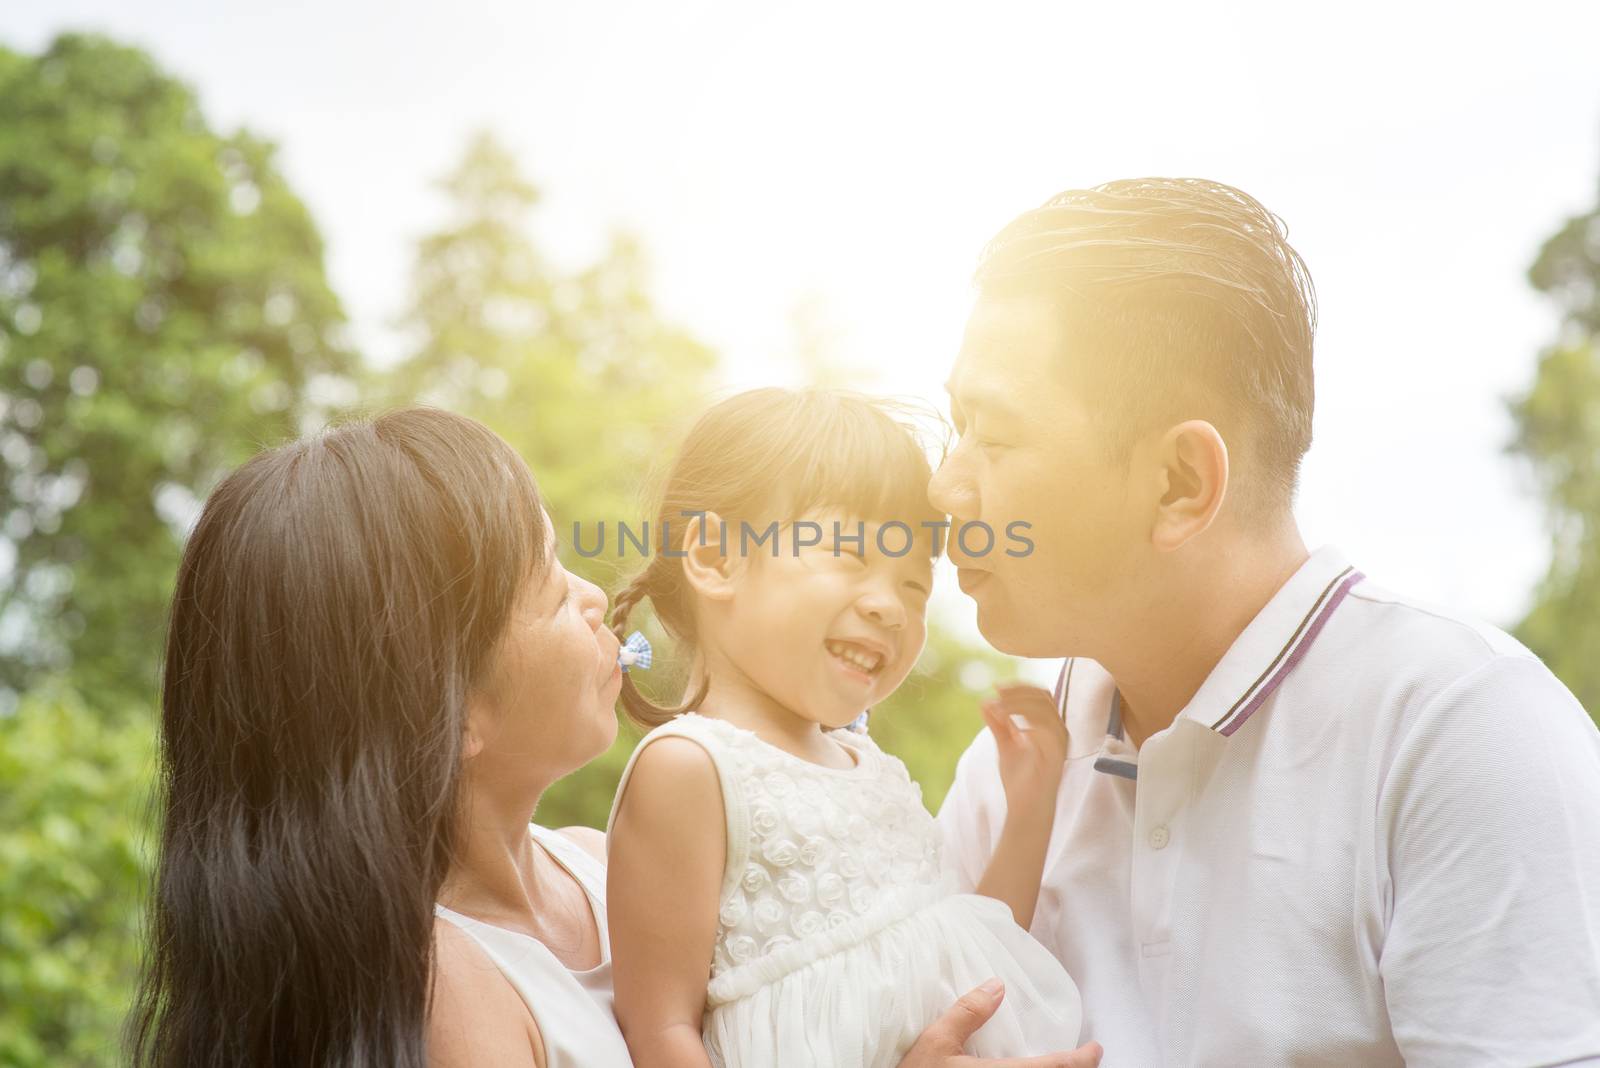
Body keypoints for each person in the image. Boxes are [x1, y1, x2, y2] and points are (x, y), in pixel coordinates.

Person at [128, 405, 1101, 1068]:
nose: (596, 596)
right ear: (448, 707)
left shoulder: (609, 872)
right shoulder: (445, 998)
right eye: (548, 588)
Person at [932, 179, 1600, 1066]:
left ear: (1179, 483)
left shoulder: (1459, 730)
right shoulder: (1013, 763)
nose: (944, 489)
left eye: (996, 438)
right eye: (956, 426)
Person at [604, 388, 1097, 1067]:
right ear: (718, 560)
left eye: (914, 586)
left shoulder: (866, 764)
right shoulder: (691, 769)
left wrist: (1032, 804)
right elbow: (659, 1033)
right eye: (847, 555)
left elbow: (977, 953)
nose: (890, 608)